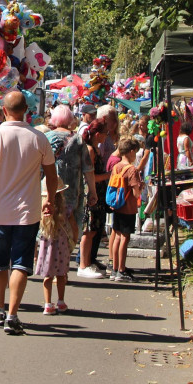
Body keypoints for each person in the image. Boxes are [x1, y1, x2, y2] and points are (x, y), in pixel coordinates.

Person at [0, 90, 60, 336]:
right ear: (27, 111)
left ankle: (0, 308)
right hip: (28, 211)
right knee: (21, 263)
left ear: (4, 110)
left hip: (0, 211)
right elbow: (51, 176)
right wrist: (50, 200)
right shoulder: (39, 138)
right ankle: (12, 314)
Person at [35, 181, 76, 314]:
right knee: (61, 275)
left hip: (46, 249)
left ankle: (47, 303)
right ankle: (61, 301)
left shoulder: (41, 211)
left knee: (47, 276)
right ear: (61, 193)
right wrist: (74, 240)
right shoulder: (66, 210)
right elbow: (74, 226)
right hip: (62, 247)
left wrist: (34, 250)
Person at [76, 119, 108, 279]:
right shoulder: (90, 150)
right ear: (97, 134)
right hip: (90, 194)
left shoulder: (94, 148)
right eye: (104, 133)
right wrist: (109, 175)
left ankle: (87, 262)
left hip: (97, 194)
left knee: (93, 230)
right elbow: (90, 176)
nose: (106, 137)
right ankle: (83, 264)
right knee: (88, 231)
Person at [108, 137, 143, 281]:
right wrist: (141, 186)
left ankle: (115, 268)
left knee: (116, 235)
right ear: (132, 151)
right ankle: (122, 269)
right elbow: (136, 193)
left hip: (117, 205)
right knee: (125, 237)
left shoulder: (116, 167)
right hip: (128, 208)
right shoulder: (132, 170)